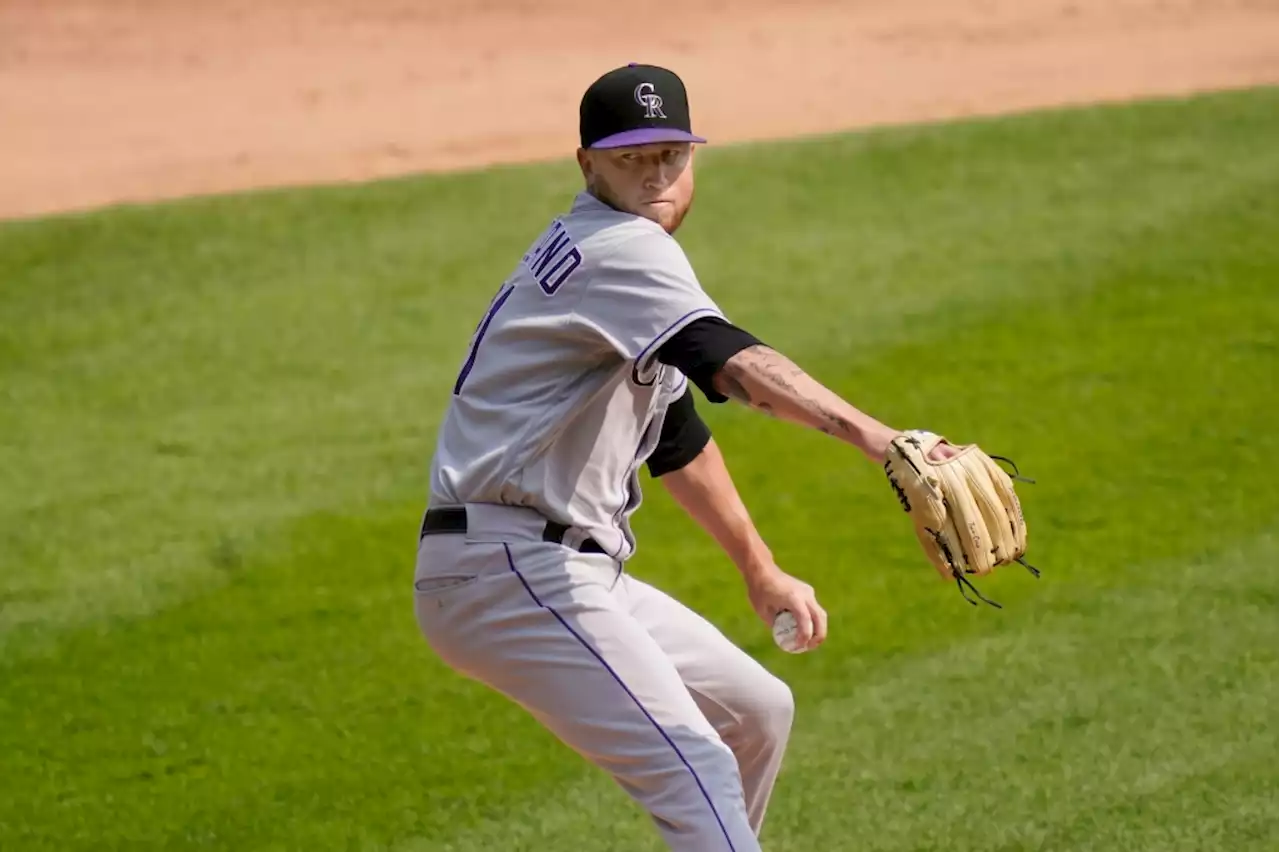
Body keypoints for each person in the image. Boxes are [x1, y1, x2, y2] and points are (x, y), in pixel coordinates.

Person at [412, 62, 957, 852]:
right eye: (633, 158)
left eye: (671, 153)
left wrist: (756, 565)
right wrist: (881, 438)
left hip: (545, 566)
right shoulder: (620, 248)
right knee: (693, 761)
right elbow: (731, 365)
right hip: (508, 567)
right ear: (587, 164)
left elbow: (676, 437)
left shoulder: (605, 260)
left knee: (754, 713)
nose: (657, 175)